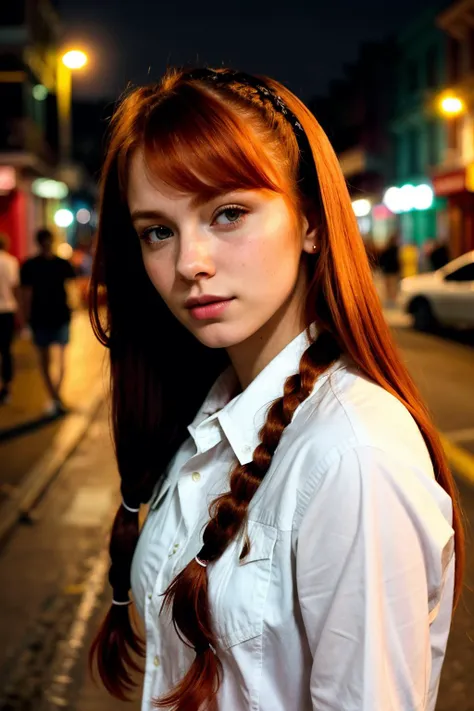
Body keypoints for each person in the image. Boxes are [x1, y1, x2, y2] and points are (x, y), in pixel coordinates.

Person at [89, 68, 464, 711]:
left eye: (228, 213)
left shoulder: (353, 455)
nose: (188, 263)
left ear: (312, 223)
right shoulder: (212, 416)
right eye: (159, 230)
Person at [20, 228, 76, 415]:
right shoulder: (62, 264)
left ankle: (54, 396)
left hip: (41, 317)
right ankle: (56, 396)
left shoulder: (30, 265)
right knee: (60, 359)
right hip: (58, 315)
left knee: (45, 361)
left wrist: (26, 319)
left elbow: (26, 295)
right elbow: (72, 289)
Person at [0, 233, 21, 404]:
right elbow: (15, 287)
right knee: (6, 350)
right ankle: (7, 387)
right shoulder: (11, 262)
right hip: (7, 310)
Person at [378, 232, 401, 305]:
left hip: (387, 270)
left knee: (388, 286)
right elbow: (398, 260)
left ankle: (389, 300)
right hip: (393, 270)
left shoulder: (386, 249)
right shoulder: (396, 250)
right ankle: (392, 300)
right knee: (393, 286)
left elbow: (381, 259)